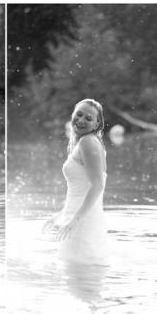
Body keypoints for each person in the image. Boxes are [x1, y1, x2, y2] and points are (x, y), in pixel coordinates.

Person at [43, 98, 108, 264]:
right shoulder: (84, 142)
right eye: (79, 114)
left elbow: (98, 185)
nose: (81, 120)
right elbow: (80, 189)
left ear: (96, 124)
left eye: (88, 118)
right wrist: (60, 215)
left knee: (78, 274)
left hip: (81, 222)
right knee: (76, 277)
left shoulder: (88, 142)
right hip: (77, 218)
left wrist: (75, 221)